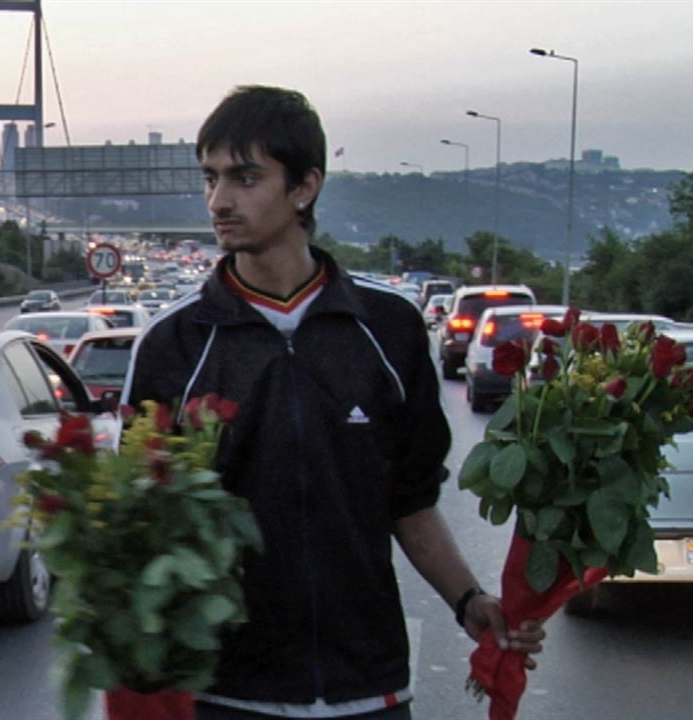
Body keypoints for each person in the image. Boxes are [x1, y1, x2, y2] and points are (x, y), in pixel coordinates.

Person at [121, 85, 544, 720]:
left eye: (245, 177)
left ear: (304, 187)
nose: (219, 200)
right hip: (226, 693)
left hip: (367, 688)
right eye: (210, 178)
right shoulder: (172, 344)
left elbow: (409, 500)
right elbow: (138, 517)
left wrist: (469, 600)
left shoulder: (391, 328)